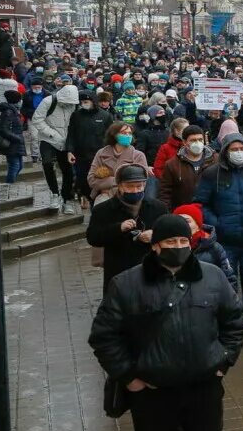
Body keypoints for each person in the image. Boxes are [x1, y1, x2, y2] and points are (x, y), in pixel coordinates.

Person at [88, 213, 243, 431]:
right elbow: (104, 336)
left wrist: (224, 360)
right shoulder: (127, 284)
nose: (178, 247)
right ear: (156, 246)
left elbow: (235, 321)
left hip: (203, 388)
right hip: (153, 393)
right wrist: (129, 377)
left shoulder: (212, 277)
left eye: (183, 241)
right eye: (171, 242)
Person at [196, 133, 243, 336]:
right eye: (234, 149)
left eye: (241, 149)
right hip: (225, 240)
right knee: (228, 283)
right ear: (226, 152)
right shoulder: (212, 174)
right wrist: (217, 224)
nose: (238, 153)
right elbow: (202, 203)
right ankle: (232, 317)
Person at [86, 164, 170, 291]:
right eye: (130, 187)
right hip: (119, 270)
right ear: (119, 186)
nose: (135, 190)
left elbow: (169, 234)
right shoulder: (103, 210)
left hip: (151, 269)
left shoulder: (158, 208)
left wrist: (155, 235)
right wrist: (118, 228)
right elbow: (93, 237)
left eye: (139, 186)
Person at [30, 82, 80, 210]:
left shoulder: (74, 105)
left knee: (68, 170)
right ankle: (54, 193)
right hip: (48, 139)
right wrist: (51, 134)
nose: (68, 105)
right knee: (48, 164)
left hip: (66, 140)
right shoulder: (48, 101)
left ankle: (66, 198)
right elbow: (37, 119)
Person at [87, 121, 148, 204]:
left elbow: (141, 183)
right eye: (123, 133)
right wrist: (120, 181)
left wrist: (107, 184)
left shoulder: (138, 156)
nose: (127, 136)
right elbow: (91, 180)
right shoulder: (101, 153)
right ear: (114, 135)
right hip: (104, 196)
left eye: (129, 133)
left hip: (128, 197)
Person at [158, 124, 216, 211]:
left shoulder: (215, 160)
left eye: (200, 140)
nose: (198, 143)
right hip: (183, 212)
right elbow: (165, 193)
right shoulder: (172, 164)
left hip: (210, 211)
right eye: (193, 140)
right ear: (185, 142)